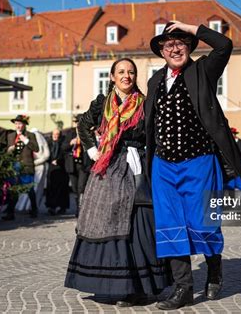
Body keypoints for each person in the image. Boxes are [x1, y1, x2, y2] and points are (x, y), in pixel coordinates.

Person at [145, 21, 241, 310]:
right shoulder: (154, 81)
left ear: (189, 46)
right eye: (168, 45)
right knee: (170, 225)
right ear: (161, 52)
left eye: (180, 43)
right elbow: (148, 124)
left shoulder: (203, 70)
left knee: (203, 223)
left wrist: (191, 27)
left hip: (200, 161)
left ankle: (214, 269)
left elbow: (224, 45)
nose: (175, 48)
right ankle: (184, 288)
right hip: (163, 166)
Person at [64, 58, 170, 307]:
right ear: (112, 76)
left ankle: (140, 287)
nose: (127, 76)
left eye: (131, 72)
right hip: (108, 166)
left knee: (137, 221)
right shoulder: (102, 103)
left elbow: (155, 136)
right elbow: (83, 124)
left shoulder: (145, 104)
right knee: (104, 220)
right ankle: (115, 284)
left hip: (135, 167)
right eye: (121, 72)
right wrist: (92, 150)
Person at [2, 115, 39, 220]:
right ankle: (10, 213)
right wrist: (9, 150)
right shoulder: (10, 136)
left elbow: (36, 149)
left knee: (29, 189)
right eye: (16, 124)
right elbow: (7, 153)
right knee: (13, 190)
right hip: (14, 166)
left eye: (20, 124)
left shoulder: (30, 135)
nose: (18, 126)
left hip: (26, 166)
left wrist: (26, 141)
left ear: (24, 125)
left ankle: (34, 210)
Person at [63, 115, 93, 217]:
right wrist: (71, 143)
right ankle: (77, 208)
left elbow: (93, 149)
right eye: (77, 122)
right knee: (75, 189)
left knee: (81, 188)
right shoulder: (69, 133)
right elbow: (63, 147)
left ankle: (80, 210)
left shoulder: (88, 133)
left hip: (83, 165)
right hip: (72, 165)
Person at [16, 128, 50, 213]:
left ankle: (32, 207)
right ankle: (27, 207)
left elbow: (45, 155)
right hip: (31, 166)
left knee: (34, 188)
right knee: (29, 187)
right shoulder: (31, 139)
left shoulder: (37, 138)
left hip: (38, 167)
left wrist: (35, 162)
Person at [46, 129, 69, 215]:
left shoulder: (63, 142)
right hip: (52, 168)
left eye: (57, 134)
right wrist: (50, 161)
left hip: (61, 168)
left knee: (62, 189)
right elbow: (46, 154)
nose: (55, 136)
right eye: (54, 134)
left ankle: (62, 207)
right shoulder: (49, 143)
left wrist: (58, 161)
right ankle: (52, 207)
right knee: (51, 188)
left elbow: (65, 154)